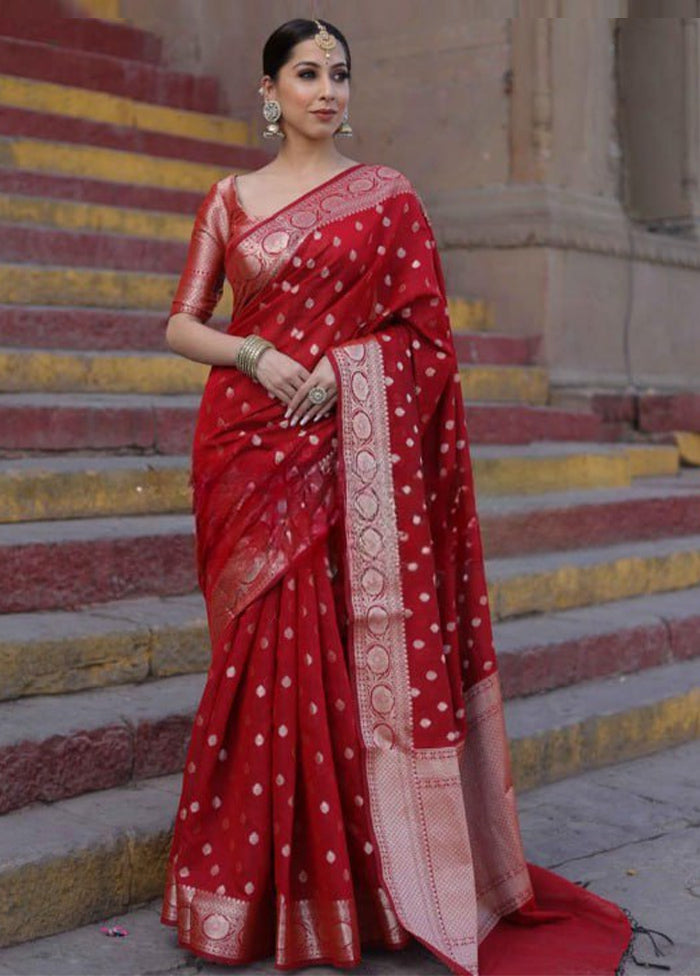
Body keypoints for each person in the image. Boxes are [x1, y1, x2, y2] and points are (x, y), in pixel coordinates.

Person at [158, 17, 668, 976]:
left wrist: (349, 375)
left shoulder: (389, 199)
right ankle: (253, 891)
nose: (326, 90)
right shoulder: (229, 200)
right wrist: (259, 355)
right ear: (268, 90)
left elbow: (425, 341)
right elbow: (182, 325)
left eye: (339, 73)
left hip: (347, 454)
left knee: (330, 661)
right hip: (247, 444)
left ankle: (361, 885)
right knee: (259, 665)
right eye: (306, 73)